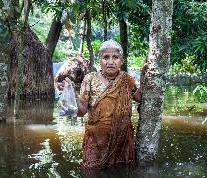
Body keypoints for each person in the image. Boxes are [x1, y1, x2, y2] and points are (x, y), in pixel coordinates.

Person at [57, 40, 143, 169]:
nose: (110, 61)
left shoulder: (126, 80)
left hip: (122, 141)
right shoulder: (90, 79)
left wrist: (146, 77)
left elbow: (139, 97)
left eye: (115, 57)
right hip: (96, 141)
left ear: (121, 61)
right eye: (106, 57)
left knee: (121, 173)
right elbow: (81, 112)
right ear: (100, 60)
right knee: (92, 174)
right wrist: (71, 96)